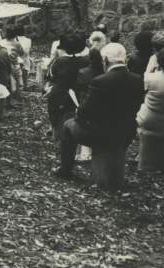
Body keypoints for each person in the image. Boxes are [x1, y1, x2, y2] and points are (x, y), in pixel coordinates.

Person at [53, 43, 144, 179]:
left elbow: (86, 111)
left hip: (101, 133)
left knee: (67, 125)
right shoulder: (137, 80)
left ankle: (65, 170)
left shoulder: (100, 82)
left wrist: (79, 113)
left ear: (105, 60)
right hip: (127, 132)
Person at [45, 33, 90, 138]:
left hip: (61, 91)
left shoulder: (60, 61)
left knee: (55, 111)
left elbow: (52, 75)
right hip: (79, 92)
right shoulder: (87, 60)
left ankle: (55, 131)